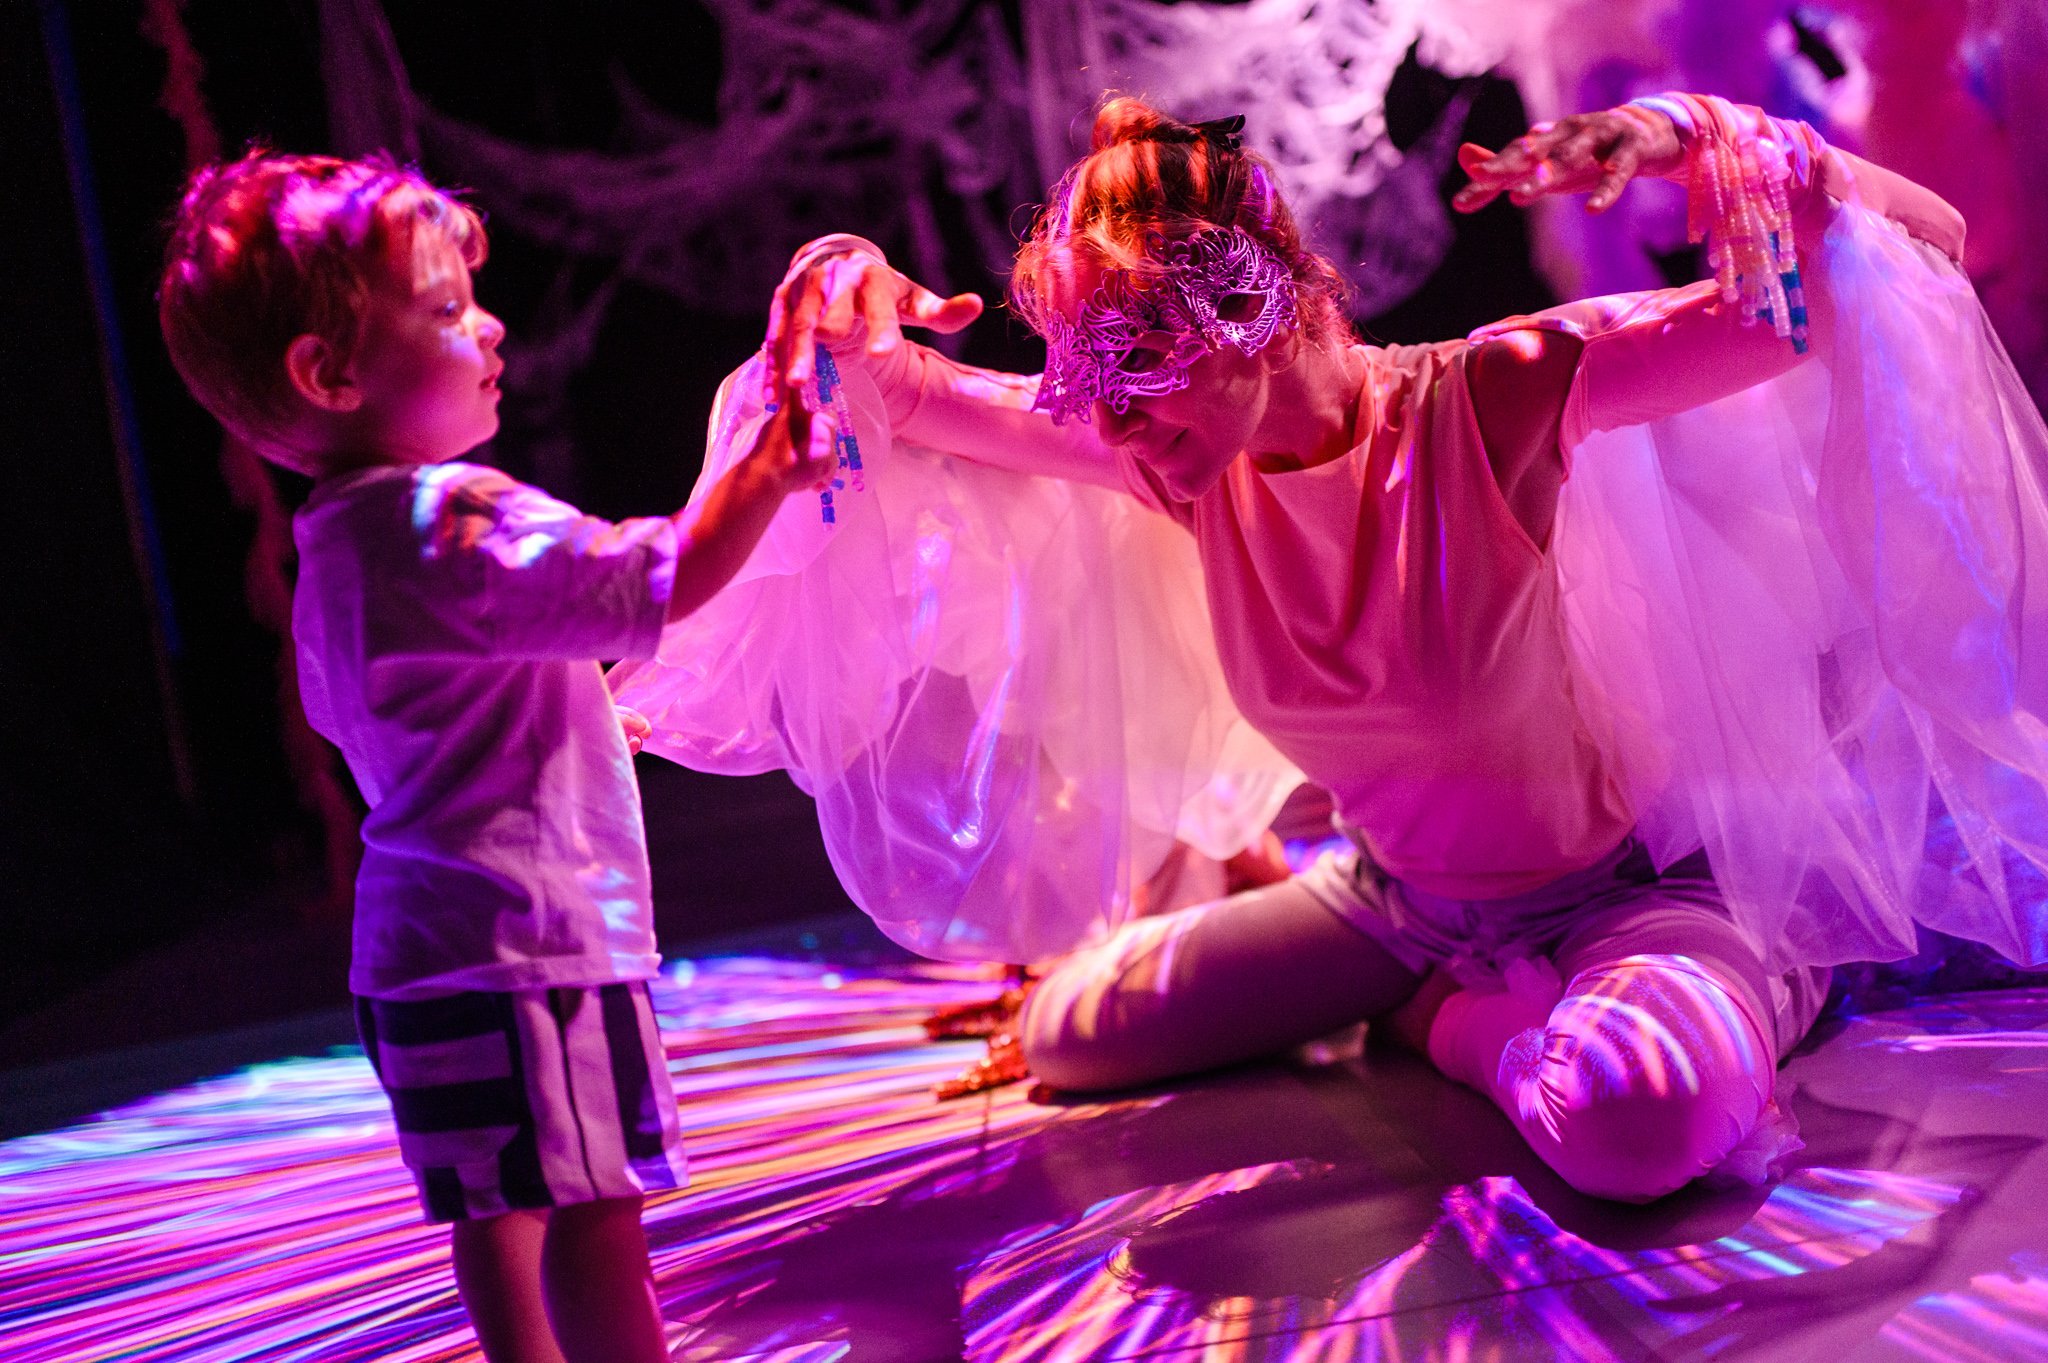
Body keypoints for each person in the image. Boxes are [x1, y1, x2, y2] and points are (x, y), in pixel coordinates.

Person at [615, 91, 2048, 1203]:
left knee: (1638, 1116)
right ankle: (1445, 1012)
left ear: (1259, 305)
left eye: (1136, 381)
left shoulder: (1498, 396)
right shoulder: (1183, 458)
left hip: (1623, 894)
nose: (1106, 429)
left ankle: (1623, 1009)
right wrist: (836, 273)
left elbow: (1911, 253)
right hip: (1398, 902)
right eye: (1089, 388)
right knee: (1065, 1030)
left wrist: (1698, 140)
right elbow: (896, 387)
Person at [157, 151, 832, 1363]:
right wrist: (769, 465)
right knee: (597, 1207)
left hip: (419, 957)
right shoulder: (450, 516)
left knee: (496, 1206)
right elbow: (656, 574)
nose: (492, 324)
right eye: (447, 310)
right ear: (332, 373)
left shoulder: (337, 551)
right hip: (534, 947)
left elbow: (425, 716)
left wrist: (573, 714)